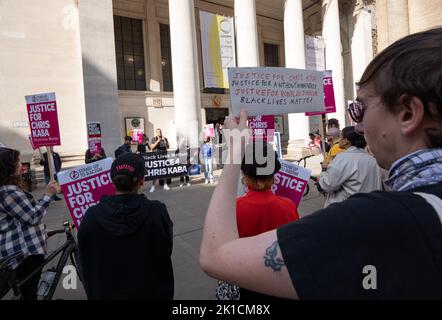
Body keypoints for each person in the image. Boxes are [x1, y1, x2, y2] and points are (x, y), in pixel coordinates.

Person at [200, 28, 442, 299]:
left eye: (359, 108)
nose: (358, 125)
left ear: (408, 112)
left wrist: (234, 151)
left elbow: (216, 255)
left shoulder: (370, 221)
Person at [78, 153, 174, 300]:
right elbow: (166, 249)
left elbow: (85, 262)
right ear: (142, 180)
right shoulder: (157, 212)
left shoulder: (90, 216)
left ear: (112, 181)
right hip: (150, 293)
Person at [233, 142, 299, 300]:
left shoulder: (235, 207)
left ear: (244, 173)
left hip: (248, 278)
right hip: (280, 278)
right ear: (274, 174)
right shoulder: (287, 206)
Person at [0, 147, 60, 300]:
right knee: (29, 293)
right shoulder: (8, 192)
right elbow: (32, 217)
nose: (21, 165)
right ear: (8, 167)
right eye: (17, 162)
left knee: (27, 292)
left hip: (21, 248)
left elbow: (17, 221)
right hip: (24, 253)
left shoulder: (6, 190)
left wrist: (41, 230)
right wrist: (48, 195)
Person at [319, 126, 383, 207]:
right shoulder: (372, 159)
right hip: (370, 207)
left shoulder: (343, 158)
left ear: (345, 141)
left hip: (347, 210)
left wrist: (324, 169)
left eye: (340, 136)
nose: (339, 139)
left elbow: (328, 185)